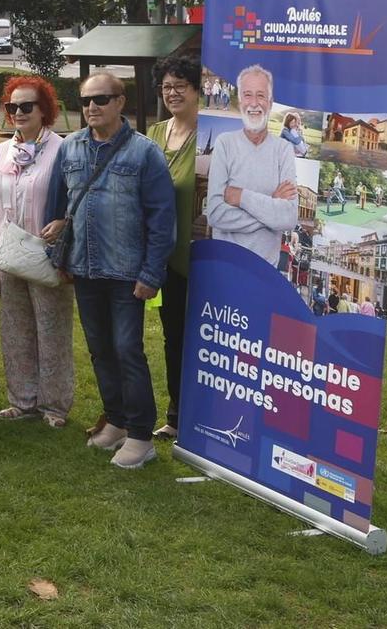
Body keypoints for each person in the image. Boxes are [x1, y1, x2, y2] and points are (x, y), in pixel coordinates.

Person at [42, 71, 177, 470]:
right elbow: (59, 204)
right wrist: (62, 241)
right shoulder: (70, 148)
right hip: (84, 269)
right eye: (85, 101)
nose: (92, 108)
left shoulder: (144, 152)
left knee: (127, 351)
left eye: (101, 99)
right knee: (100, 350)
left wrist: (151, 274)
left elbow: (162, 219)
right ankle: (115, 420)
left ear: (121, 102)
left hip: (126, 272)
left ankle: (140, 435)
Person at [0, 76, 73, 428]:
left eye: (26, 106)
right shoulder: (1, 152)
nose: (18, 112)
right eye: (12, 107)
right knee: (15, 330)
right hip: (9, 255)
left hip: (47, 255)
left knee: (52, 330)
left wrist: (65, 222)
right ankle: (22, 400)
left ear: (44, 110)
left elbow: (75, 198)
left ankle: (55, 406)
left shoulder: (62, 149)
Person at [146, 56, 204, 439]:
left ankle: (206, 416)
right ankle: (177, 416)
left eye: (181, 85)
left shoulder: (212, 136)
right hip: (160, 258)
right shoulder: (153, 134)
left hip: (199, 258)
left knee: (204, 339)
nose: (172, 92)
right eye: (167, 86)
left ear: (199, 90)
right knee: (173, 337)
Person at [204, 65, 301, 267]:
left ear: (271, 102)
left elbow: (288, 218)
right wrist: (270, 205)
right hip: (224, 264)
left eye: (261, 96)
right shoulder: (224, 143)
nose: (254, 103)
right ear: (239, 100)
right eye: (248, 95)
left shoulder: (283, 149)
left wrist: (241, 197)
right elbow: (215, 215)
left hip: (265, 270)